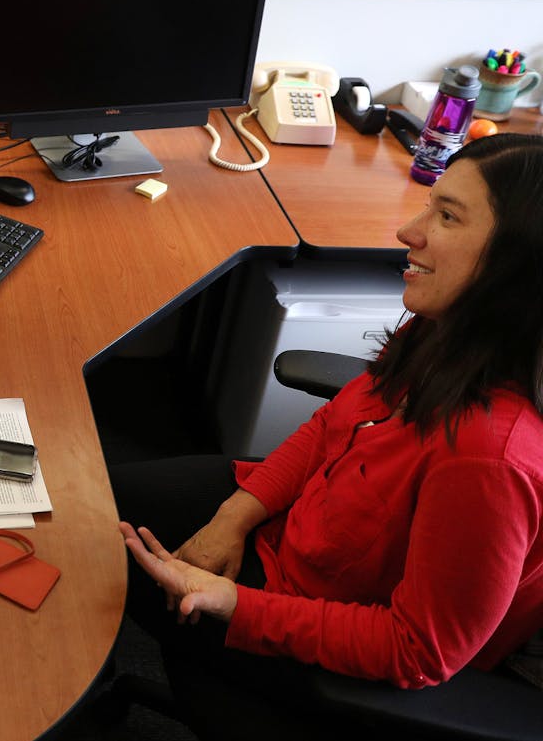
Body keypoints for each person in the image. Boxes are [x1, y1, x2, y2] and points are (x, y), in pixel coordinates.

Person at [111, 133, 543, 739]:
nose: (408, 231)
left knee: (101, 566)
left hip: (328, 632)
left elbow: (418, 650)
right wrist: (231, 518)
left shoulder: (489, 460)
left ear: (515, 264)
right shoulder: (446, 333)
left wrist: (229, 601)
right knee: (97, 507)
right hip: (307, 533)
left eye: (445, 217)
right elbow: (330, 425)